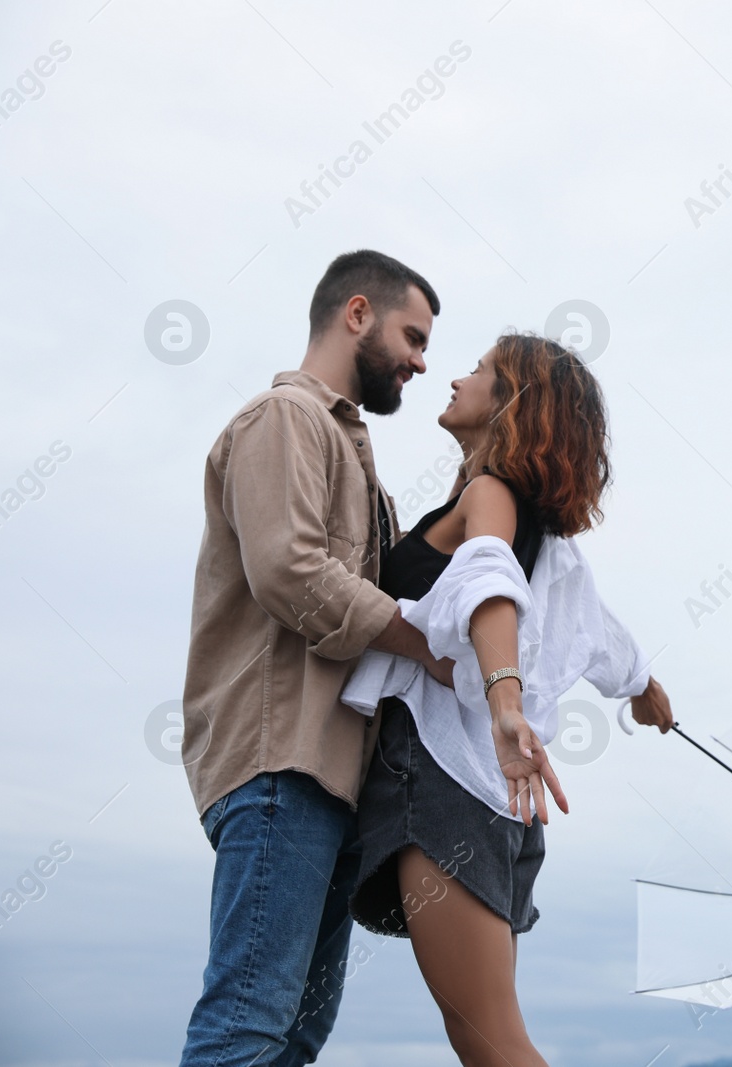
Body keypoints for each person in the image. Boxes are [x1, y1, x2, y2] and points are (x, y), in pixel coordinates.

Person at [340, 331, 673, 1067]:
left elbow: (489, 578)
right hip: (495, 804)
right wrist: (643, 688)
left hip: (450, 785)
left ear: (513, 405)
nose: (458, 377)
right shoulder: (547, 536)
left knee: (491, 1043)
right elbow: (599, 627)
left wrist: (503, 701)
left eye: (482, 370)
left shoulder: (489, 498)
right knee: (492, 1038)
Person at [179, 250, 456, 1065]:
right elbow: (289, 570)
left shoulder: (356, 457)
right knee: (249, 1024)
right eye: (413, 334)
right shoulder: (284, 420)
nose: (421, 359)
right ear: (358, 313)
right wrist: (422, 645)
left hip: (329, 781)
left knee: (294, 1033)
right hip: (281, 768)